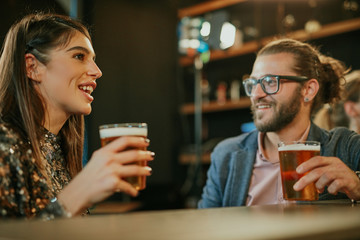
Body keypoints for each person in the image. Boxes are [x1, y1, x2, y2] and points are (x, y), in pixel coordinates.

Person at [0, 13, 154, 219]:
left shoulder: (59, 148)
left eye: (93, 60)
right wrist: (79, 192)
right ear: (32, 67)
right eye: (79, 56)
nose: (97, 71)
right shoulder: (4, 143)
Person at [198, 38, 360, 208]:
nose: (256, 94)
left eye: (269, 82)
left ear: (308, 89)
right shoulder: (226, 155)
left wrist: (357, 186)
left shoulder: (345, 147)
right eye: (253, 83)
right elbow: (205, 226)